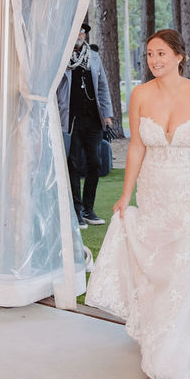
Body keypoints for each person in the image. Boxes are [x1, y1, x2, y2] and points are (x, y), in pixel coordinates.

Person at [85, 29, 190, 379]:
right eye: (148, 54)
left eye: (161, 53)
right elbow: (137, 149)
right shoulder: (141, 95)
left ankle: (171, 363)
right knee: (159, 269)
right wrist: (126, 196)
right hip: (155, 191)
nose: (154, 60)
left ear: (179, 56)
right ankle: (157, 336)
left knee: (184, 270)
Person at [57, 22, 114, 228]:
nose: (79, 35)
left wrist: (107, 115)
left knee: (95, 164)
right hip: (70, 119)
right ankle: (76, 211)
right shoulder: (61, 57)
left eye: (82, 31)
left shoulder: (94, 57)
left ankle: (88, 209)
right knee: (73, 164)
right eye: (76, 31)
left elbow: (103, 88)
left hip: (93, 120)